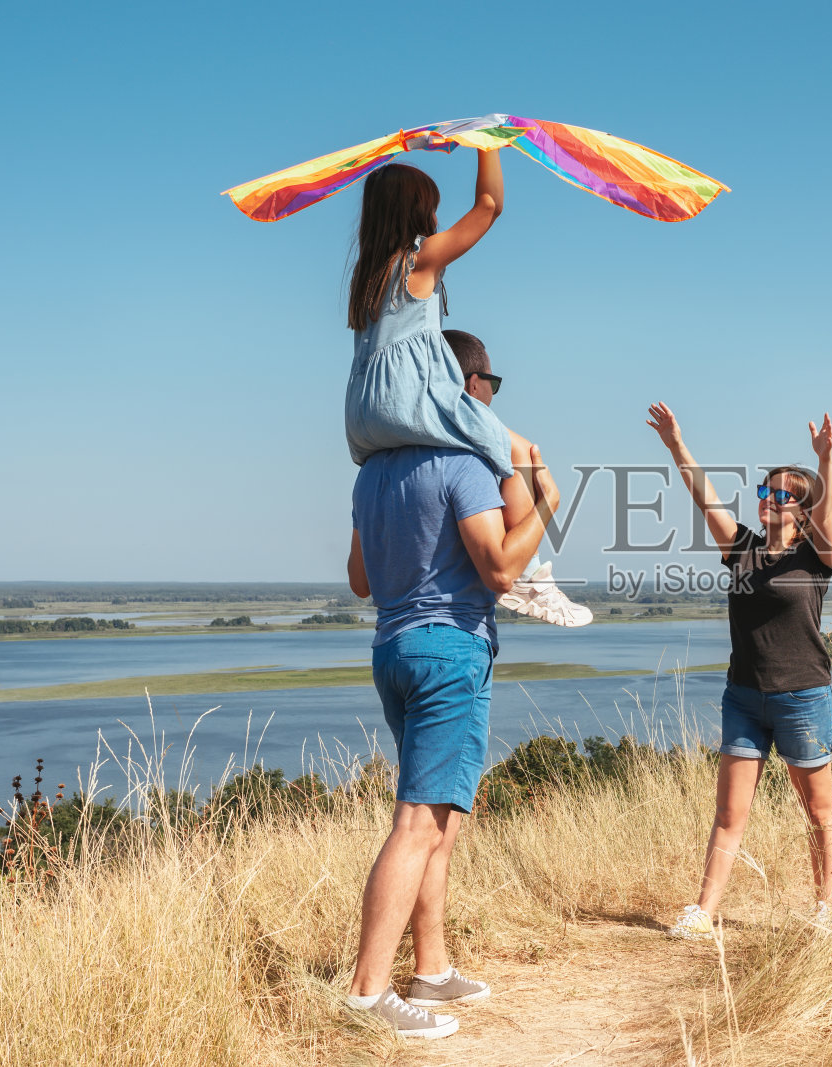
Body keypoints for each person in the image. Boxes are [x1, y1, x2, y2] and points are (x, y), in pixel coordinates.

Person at [340, 347, 563, 1040]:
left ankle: (431, 967)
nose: (490, 396)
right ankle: (366, 994)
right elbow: (499, 568)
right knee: (417, 823)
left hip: (394, 649)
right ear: (459, 386)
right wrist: (547, 496)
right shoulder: (462, 464)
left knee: (439, 820)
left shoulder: (375, 472)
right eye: (487, 383)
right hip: (449, 653)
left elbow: (359, 579)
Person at [345, 150, 589, 627]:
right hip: (408, 404)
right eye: (430, 208)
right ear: (415, 213)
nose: (436, 219)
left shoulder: (366, 278)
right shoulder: (417, 263)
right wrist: (489, 143)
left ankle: (530, 575)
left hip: (365, 416)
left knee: (502, 443)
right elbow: (489, 207)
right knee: (516, 449)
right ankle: (532, 576)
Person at [644, 402, 832, 938]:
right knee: (730, 814)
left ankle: (826, 908)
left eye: (781, 495)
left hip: (802, 695)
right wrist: (676, 444)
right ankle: (704, 911)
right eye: (764, 492)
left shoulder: (817, 556)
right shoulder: (742, 549)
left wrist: (825, 461)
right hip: (745, 698)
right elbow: (702, 495)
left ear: (802, 509)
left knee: (819, 812)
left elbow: (826, 518)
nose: (768, 501)